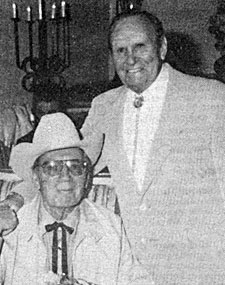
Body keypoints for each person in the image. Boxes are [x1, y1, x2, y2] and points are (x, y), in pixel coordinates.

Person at [80, 10, 225, 283]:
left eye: (140, 46)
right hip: (134, 273)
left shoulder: (211, 98)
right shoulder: (105, 106)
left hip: (205, 271)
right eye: (120, 50)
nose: (130, 59)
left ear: (162, 47)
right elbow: (71, 164)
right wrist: (15, 199)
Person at [0, 113, 152, 285]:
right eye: (52, 168)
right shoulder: (10, 229)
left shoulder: (110, 226)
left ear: (86, 177)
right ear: (36, 178)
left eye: (75, 167)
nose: (65, 176)